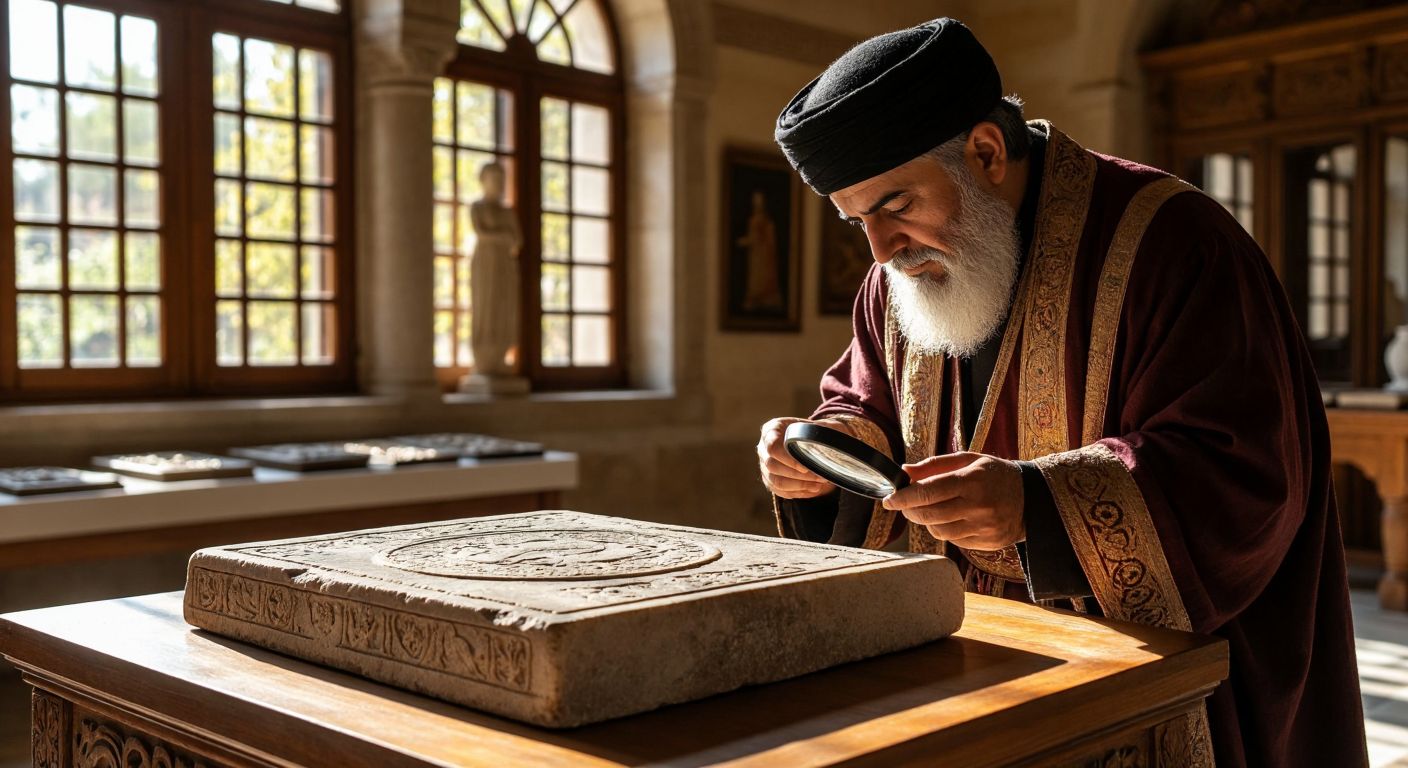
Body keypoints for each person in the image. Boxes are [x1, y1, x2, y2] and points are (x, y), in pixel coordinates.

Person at [757, 17, 1367, 767]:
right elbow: (865, 404)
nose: (882, 251)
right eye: (859, 222)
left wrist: (1035, 505)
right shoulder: (896, 283)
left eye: (895, 205)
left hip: (1149, 692)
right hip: (960, 673)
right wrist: (824, 459)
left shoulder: (1175, 243)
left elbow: (1249, 477)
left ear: (984, 151)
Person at [469, 161, 523, 377]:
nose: (499, 183)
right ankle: (483, 358)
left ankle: (500, 356)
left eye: (502, 179)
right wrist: (502, 237)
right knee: (485, 307)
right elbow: (482, 233)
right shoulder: (478, 207)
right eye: (494, 178)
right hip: (484, 264)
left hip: (504, 266)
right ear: (483, 181)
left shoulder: (507, 211)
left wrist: (500, 237)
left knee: (503, 307)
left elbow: (517, 240)